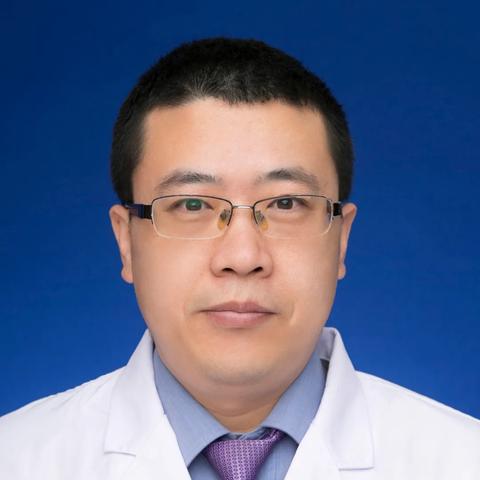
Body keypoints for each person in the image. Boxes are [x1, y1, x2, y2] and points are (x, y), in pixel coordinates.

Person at [0, 37, 478, 480]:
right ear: (126, 241)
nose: (243, 256)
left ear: (341, 238)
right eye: (192, 204)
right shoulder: (18, 458)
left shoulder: (461, 459)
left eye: (286, 203)